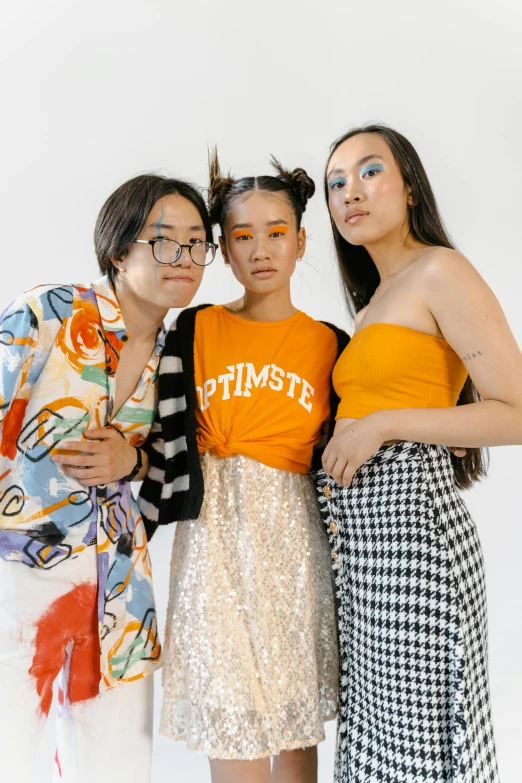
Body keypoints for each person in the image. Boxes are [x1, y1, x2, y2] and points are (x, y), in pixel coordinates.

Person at [317, 123, 522, 782]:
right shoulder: (373, 302)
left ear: (409, 185)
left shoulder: (440, 270)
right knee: (380, 745)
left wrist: (382, 424)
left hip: (416, 542)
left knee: (429, 744)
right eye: (335, 183)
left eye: (370, 171)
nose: (351, 192)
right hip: (366, 551)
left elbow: (516, 412)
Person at [139, 152, 348, 783]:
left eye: (277, 233)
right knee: (229, 713)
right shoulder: (195, 328)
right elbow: (155, 428)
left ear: (302, 239)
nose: (261, 249)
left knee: (290, 718)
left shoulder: (331, 344)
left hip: (295, 542)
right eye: (242, 236)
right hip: (214, 543)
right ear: (223, 251)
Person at [0, 173, 215, 783]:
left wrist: (132, 462)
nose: (185, 258)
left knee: (116, 770)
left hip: (120, 590)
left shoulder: (182, 352)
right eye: (166, 240)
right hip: (19, 577)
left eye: (198, 243)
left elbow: (171, 463)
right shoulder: (48, 312)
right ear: (120, 250)